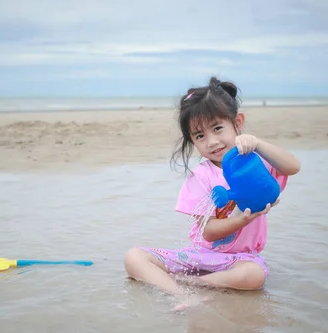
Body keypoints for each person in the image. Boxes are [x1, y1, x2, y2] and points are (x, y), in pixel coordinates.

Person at [124, 76, 301, 310]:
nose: (212, 142)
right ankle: (179, 293)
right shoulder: (200, 176)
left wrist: (257, 144)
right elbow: (208, 232)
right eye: (200, 136)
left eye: (218, 128)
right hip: (200, 256)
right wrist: (241, 219)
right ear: (192, 142)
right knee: (134, 257)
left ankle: (195, 284)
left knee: (254, 277)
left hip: (241, 260)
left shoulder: (255, 162)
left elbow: (292, 166)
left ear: (237, 123)